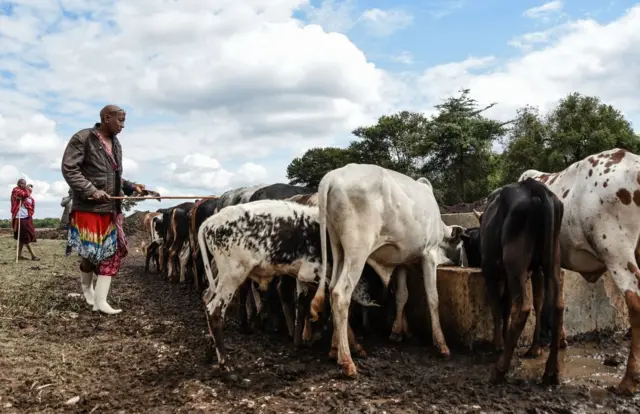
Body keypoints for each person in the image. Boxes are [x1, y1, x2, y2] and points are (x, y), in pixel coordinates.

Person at [61, 104, 151, 315]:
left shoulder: (116, 144)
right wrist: (91, 190)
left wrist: (131, 187)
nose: (122, 126)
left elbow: (115, 177)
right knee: (90, 255)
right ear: (106, 117)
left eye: (124, 121)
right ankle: (87, 290)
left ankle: (101, 301)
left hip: (111, 209)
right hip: (89, 209)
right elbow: (69, 168)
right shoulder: (83, 138)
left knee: (110, 253)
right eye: (120, 120)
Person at [10, 180, 40, 261]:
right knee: (25, 236)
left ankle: (19, 256)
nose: (25, 185)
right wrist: (26, 189)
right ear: (19, 184)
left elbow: (29, 197)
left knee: (22, 237)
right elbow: (24, 194)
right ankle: (33, 256)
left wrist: (27, 189)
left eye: (25, 184)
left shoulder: (28, 194)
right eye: (23, 183)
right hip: (20, 217)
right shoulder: (16, 191)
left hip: (27, 217)